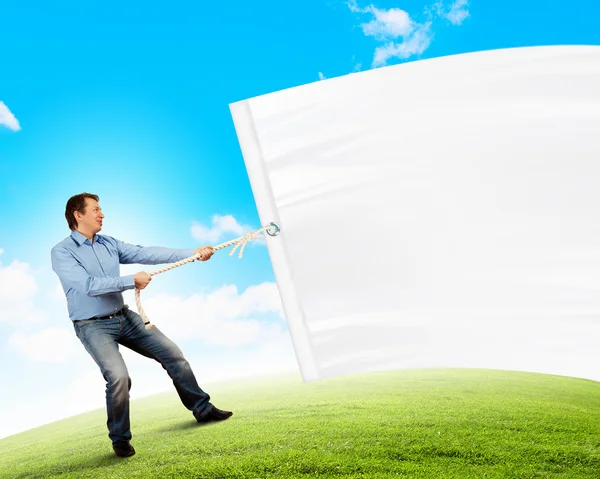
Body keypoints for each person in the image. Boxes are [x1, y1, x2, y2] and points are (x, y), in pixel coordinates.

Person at [51, 192, 232, 458]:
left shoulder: (108, 243)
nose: (102, 214)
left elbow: (145, 253)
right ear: (78, 215)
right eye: (96, 209)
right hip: (92, 326)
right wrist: (130, 280)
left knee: (174, 355)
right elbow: (87, 286)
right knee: (119, 377)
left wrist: (192, 253)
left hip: (124, 317)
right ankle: (120, 439)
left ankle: (202, 409)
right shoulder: (62, 252)